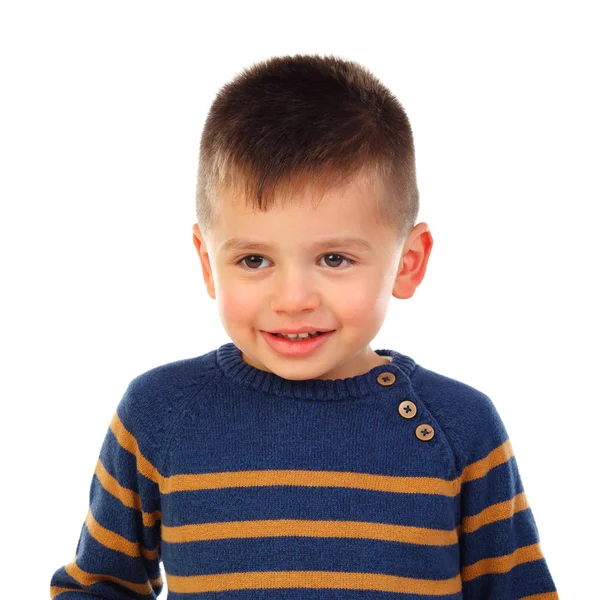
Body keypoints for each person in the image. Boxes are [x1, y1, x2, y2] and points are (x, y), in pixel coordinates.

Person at [50, 54, 559, 599]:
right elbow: (99, 585)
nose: (293, 300)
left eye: (335, 259)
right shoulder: (159, 414)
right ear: (207, 263)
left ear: (408, 263)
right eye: (253, 261)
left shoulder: (460, 428)